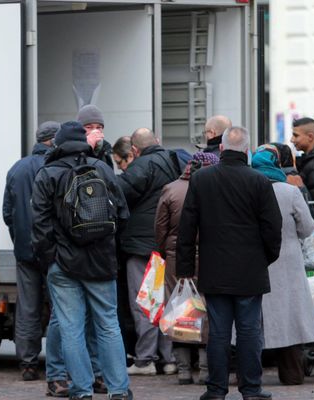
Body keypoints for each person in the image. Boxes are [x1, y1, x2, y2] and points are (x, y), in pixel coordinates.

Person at [176, 127, 282, 400]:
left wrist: (185, 268)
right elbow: (272, 227)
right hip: (250, 269)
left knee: (219, 333)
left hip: (214, 268)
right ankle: (251, 388)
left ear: (221, 148)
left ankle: (216, 389)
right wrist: (266, 258)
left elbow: (187, 226)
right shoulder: (259, 181)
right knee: (249, 332)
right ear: (247, 151)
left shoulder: (201, 180)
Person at [31, 121, 132, 400]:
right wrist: (107, 246)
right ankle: (119, 389)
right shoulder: (101, 169)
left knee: (70, 328)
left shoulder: (47, 173)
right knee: (108, 324)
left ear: (58, 144)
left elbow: (39, 225)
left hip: (63, 263)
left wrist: (51, 259)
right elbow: (122, 215)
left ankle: (81, 390)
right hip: (101, 261)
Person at [2, 121, 68, 397]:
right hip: (53, 250)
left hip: (25, 251)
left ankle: (28, 364)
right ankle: (60, 366)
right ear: (54, 140)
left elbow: (8, 212)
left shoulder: (17, 169)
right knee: (60, 309)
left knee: (27, 307)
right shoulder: (58, 167)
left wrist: (19, 237)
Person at [251, 145, 314, 385]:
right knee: (288, 320)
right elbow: (307, 228)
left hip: (253, 262)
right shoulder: (290, 192)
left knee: (250, 322)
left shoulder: (246, 189)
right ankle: (292, 375)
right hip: (286, 261)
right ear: (277, 165)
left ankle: (247, 377)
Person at [117, 127, 181, 376]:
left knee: (145, 302)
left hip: (142, 247)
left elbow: (118, 194)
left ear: (134, 150)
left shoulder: (140, 166)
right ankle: (169, 358)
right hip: (166, 246)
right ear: (158, 141)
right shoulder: (173, 160)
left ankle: (145, 359)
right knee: (164, 301)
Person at [155, 151, 219, 385]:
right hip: (210, 256)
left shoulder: (171, 189)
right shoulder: (213, 189)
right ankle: (204, 369)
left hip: (176, 257)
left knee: (180, 308)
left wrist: (165, 251)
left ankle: (183, 370)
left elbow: (160, 227)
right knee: (206, 310)